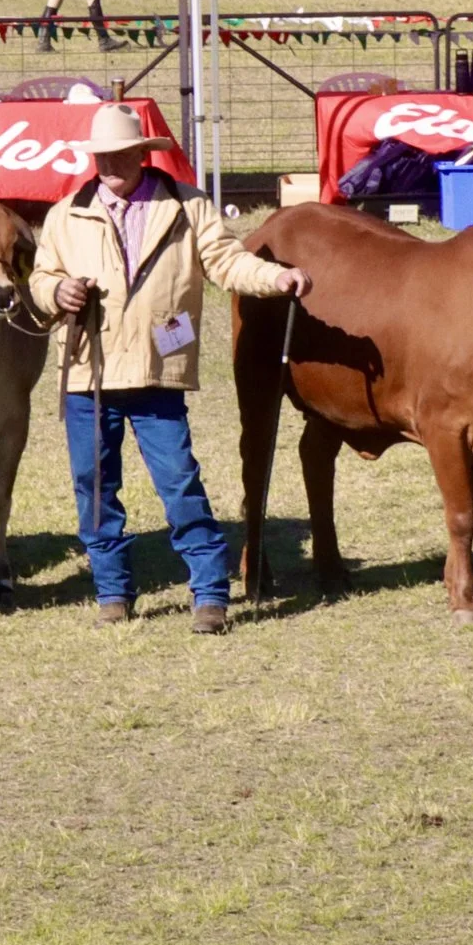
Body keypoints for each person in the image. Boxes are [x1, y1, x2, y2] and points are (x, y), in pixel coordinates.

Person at [28, 104, 308, 633]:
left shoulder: (188, 206)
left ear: (142, 153)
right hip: (90, 373)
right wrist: (55, 291)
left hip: (157, 370)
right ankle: (112, 591)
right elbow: (42, 277)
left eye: (119, 153)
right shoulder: (66, 213)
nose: (110, 163)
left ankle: (209, 594)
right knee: (94, 488)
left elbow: (226, 262)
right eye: (101, 156)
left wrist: (276, 278)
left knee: (179, 483)